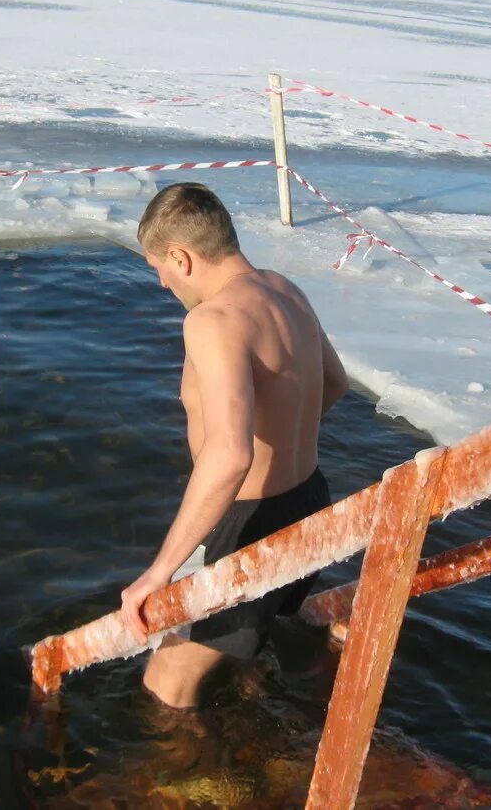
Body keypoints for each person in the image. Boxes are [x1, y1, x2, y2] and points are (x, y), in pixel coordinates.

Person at [119, 182, 349, 709]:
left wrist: (158, 571)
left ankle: (191, 789)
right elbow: (334, 383)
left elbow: (229, 456)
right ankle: (264, 728)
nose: (161, 282)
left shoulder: (213, 319)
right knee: (248, 643)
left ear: (181, 256)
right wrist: (286, 433)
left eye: (158, 266)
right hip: (310, 501)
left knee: (167, 681)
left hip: (246, 521)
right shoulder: (283, 289)